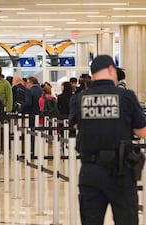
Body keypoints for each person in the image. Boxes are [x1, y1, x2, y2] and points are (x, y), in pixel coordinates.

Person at [69, 55, 146, 225]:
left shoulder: (79, 98)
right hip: (120, 171)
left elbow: (75, 125)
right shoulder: (126, 97)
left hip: (89, 171)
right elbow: (142, 131)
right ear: (111, 69)